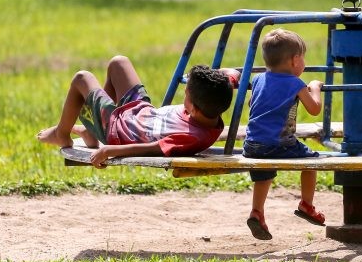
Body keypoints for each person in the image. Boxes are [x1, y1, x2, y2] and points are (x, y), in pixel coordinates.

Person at [37, 55, 238, 168]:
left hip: (119, 132)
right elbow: (232, 75)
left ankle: (62, 133)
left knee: (82, 78)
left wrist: (109, 151)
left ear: (193, 108)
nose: (183, 96)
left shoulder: (192, 137)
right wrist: (230, 77)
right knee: (118, 63)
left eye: (186, 94)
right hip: (141, 112)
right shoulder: (212, 104)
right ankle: (92, 130)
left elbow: (151, 149)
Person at [243, 28, 326, 241]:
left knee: (264, 172)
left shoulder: (258, 79)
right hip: (279, 144)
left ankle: (257, 212)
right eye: (303, 58)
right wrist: (314, 87)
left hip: (252, 145)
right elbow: (314, 109)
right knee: (312, 162)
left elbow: (252, 104)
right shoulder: (295, 83)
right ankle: (306, 204)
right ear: (295, 60)